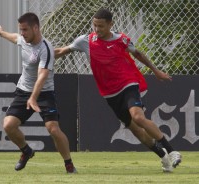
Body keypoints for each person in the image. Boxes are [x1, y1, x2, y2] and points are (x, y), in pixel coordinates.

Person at [55, 8, 181, 172]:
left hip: (128, 83)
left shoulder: (121, 40)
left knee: (138, 117)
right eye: (94, 25)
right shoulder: (85, 41)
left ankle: (172, 151)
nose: (97, 29)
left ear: (110, 24)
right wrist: (41, 54)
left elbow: (138, 54)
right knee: (136, 131)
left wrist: (156, 71)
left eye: (101, 26)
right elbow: (61, 51)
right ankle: (162, 156)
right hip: (110, 93)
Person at [0, 12, 76, 173]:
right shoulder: (22, 39)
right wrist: (1, 33)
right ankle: (26, 151)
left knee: (53, 129)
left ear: (36, 28)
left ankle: (69, 164)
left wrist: (33, 98)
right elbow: (14, 38)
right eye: (20, 30)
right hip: (23, 91)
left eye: (25, 30)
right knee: (8, 126)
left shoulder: (45, 48)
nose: (22, 33)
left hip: (44, 94)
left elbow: (42, 76)